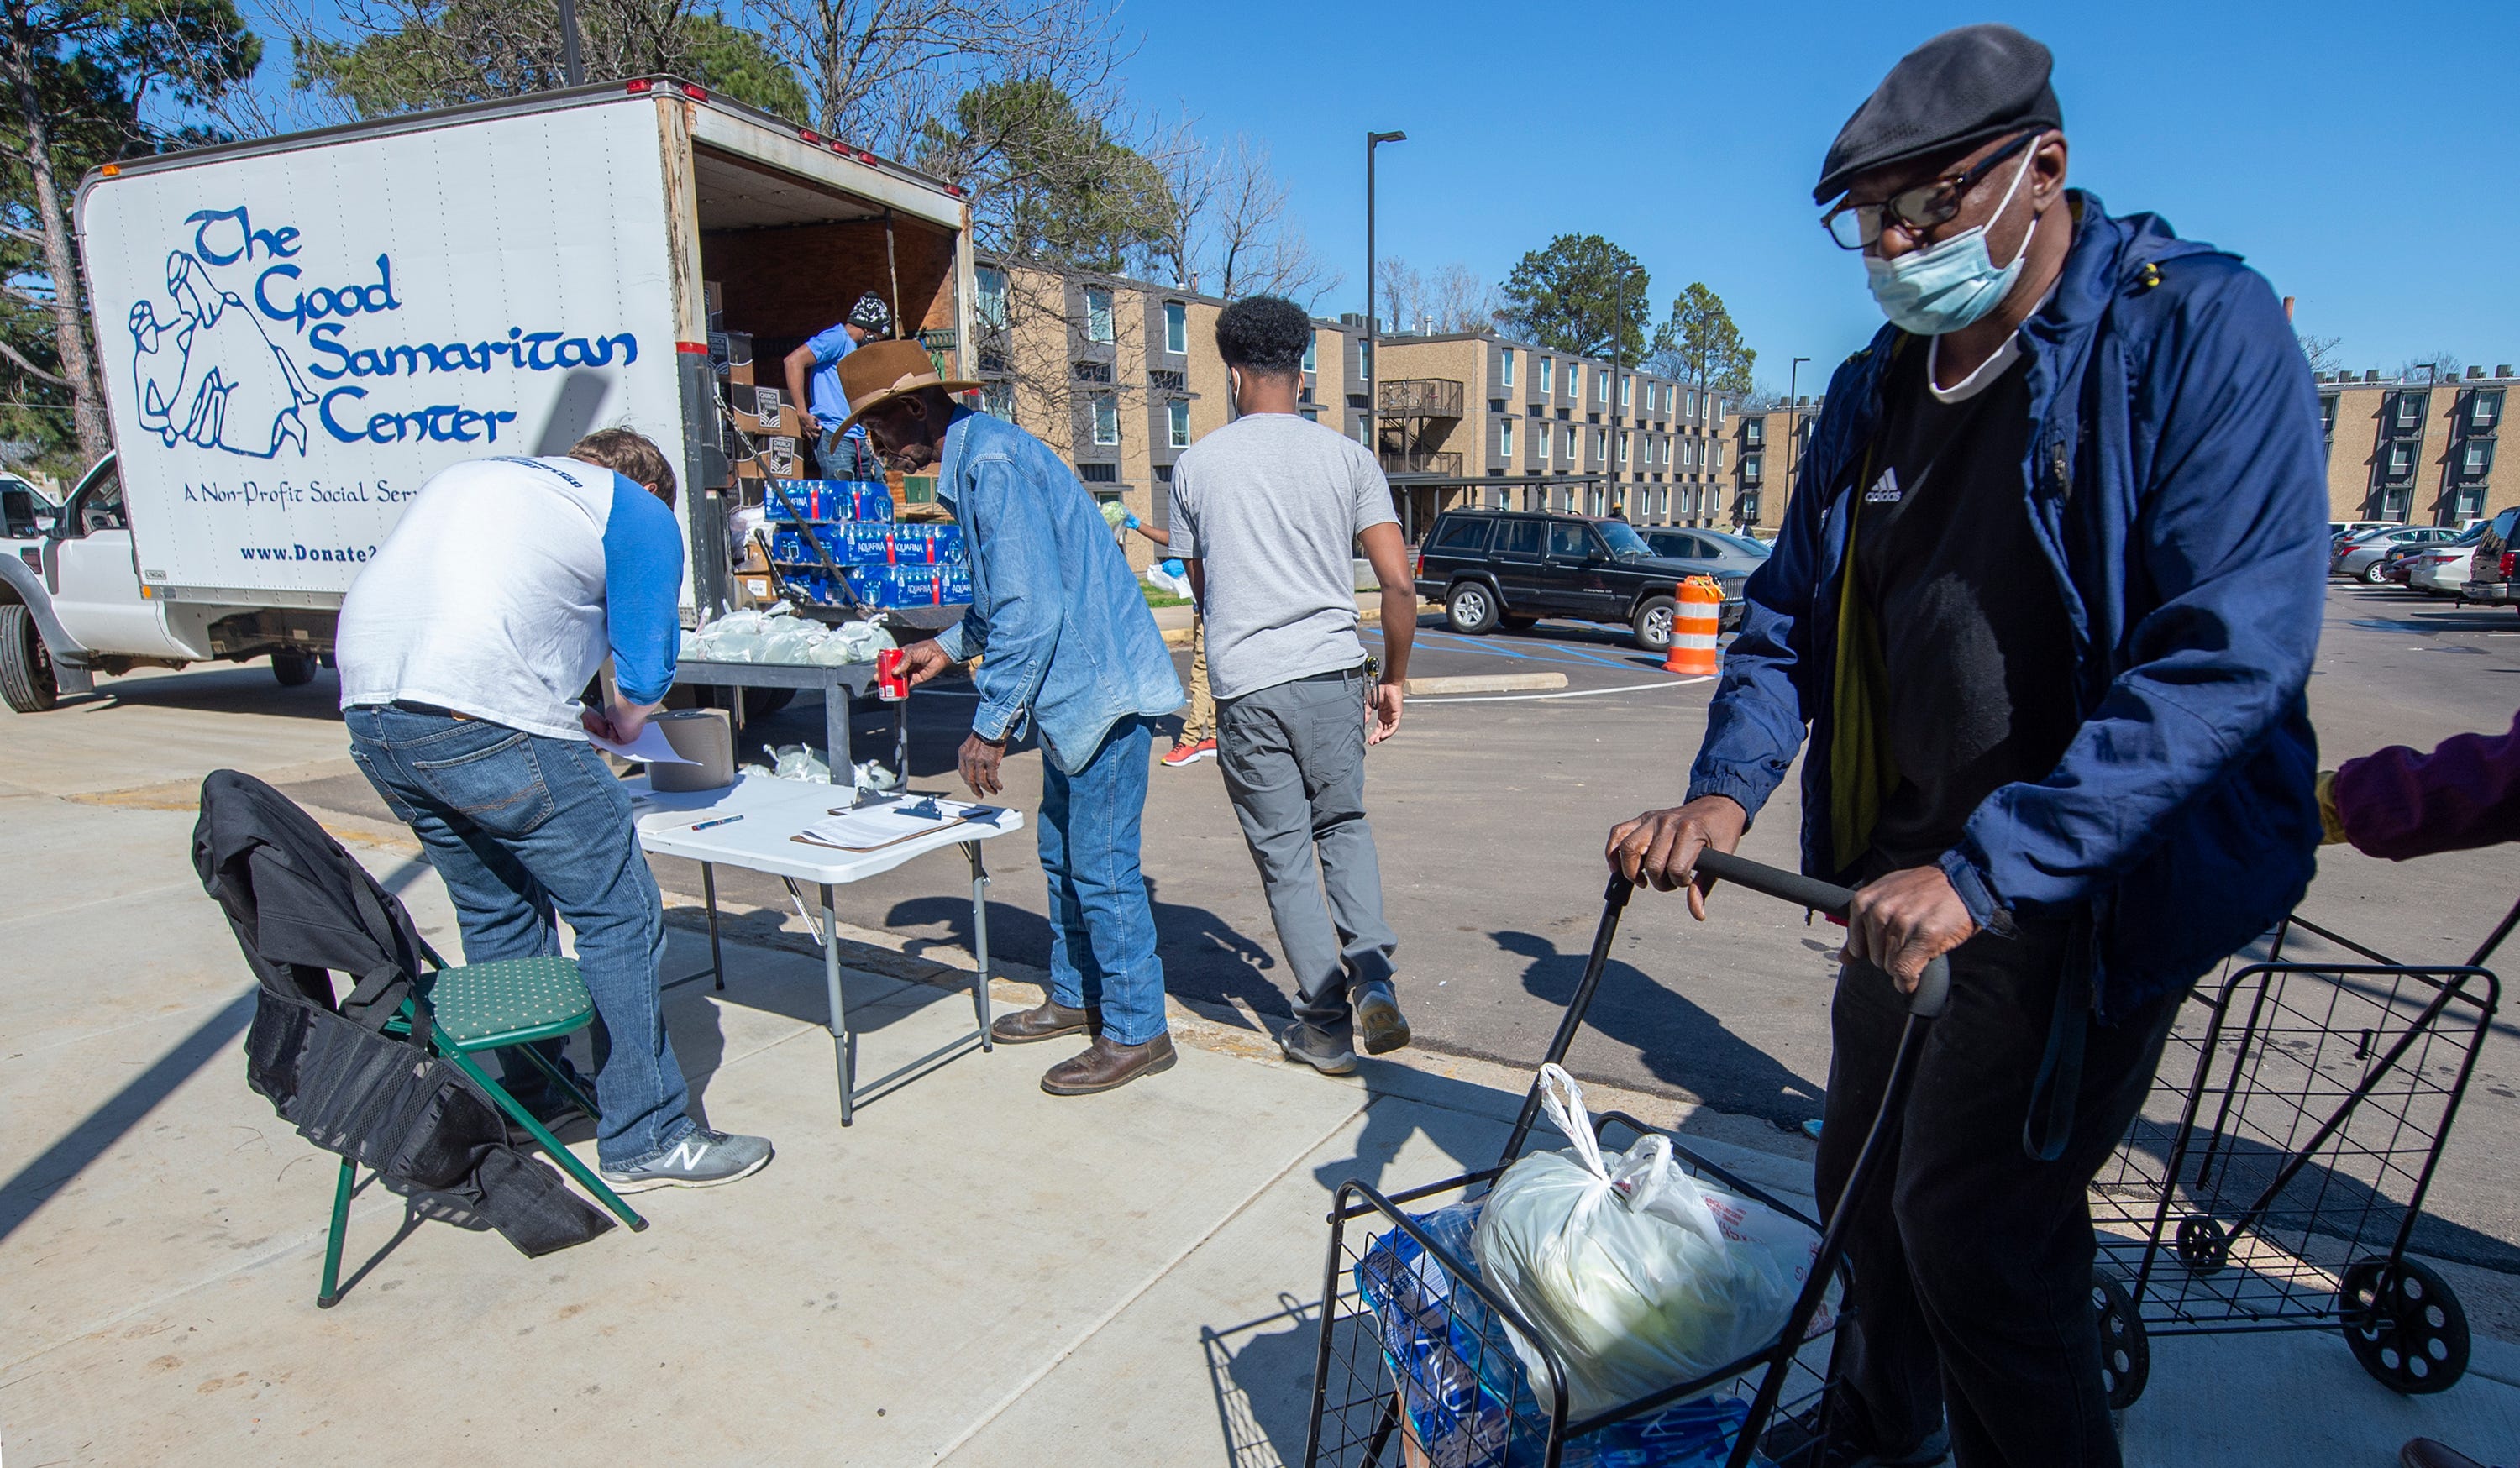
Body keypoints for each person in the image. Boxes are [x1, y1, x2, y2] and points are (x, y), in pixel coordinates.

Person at [1605, 24, 2327, 1468]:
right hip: (1898, 875)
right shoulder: (1876, 390)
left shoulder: (2192, 335)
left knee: (1980, 1227)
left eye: (1923, 207)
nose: (1891, 243)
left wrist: (1993, 870)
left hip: (2073, 885)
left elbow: (2228, 652)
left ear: (2042, 167)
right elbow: (1785, 617)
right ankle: (1879, 1428)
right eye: (1869, 220)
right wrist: (1724, 787)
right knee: (1865, 1189)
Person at [335, 430, 774, 1193]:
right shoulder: (634, 508)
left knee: (498, 905)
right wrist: (628, 718)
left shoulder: (488, 481)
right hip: (479, 710)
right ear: (648, 487)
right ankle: (647, 1135)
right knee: (621, 911)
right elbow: (647, 658)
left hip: (372, 714)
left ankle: (529, 1097)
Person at [838, 339, 1187, 1095]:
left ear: (912, 409)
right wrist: (945, 643)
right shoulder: (978, 458)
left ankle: (1138, 1031)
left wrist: (990, 722)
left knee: (1102, 867)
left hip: (1102, 696)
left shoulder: (990, 463)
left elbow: (1032, 607)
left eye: (876, 428)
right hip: (1078, 701)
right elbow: (1010, 598)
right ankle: (1075, 995)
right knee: (1065, 855)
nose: (876, 447)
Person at [1168, 295, 1418, 1076]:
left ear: (1234, 372)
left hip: (1250, 686)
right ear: (1302, 369)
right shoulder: (1348, 460)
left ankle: (1324, 1028)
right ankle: (1372, 968)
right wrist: (1398, 678)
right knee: (1342, 825)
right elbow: (1399, 585)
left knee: (1283, 857)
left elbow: (1205, 592)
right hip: (1333, 673)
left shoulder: (1197, 466)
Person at [1122, 511, 1217, 767]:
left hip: (1212, 609)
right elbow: (1177, 541)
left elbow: (1190, 547)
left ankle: (1189, 741)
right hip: (1209, 608)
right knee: (1210, 673)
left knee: (1201, 676)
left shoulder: (1211, 517)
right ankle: (1216, 735)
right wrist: (1137, 525)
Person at [784, 291, 893, 480]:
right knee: (842, 501)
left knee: (866, 496)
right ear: (868, 330)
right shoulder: (836, 339)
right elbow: (793, 361)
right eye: (877, 337)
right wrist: (802, 413)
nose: (875, 343)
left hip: (856, 436)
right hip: (835, 435)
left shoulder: (853, 350)